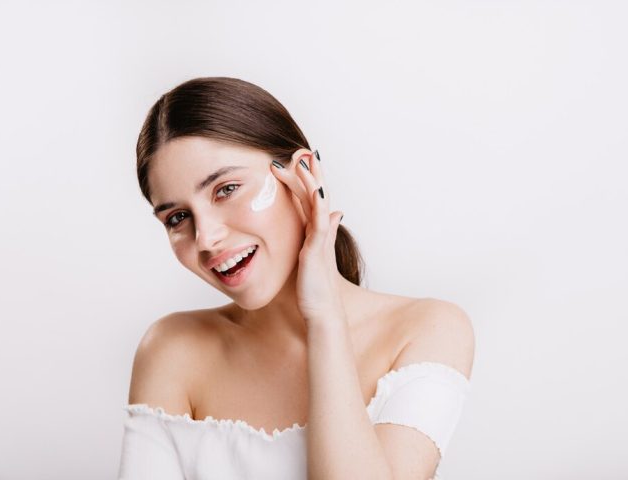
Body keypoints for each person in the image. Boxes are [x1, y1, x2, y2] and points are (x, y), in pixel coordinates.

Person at [117, 76, 475, 480]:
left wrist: (324, 317)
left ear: (303, 175)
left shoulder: (427, 330)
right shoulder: (172, 350)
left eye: (226, 189)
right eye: (178, 218)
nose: (207, 237)